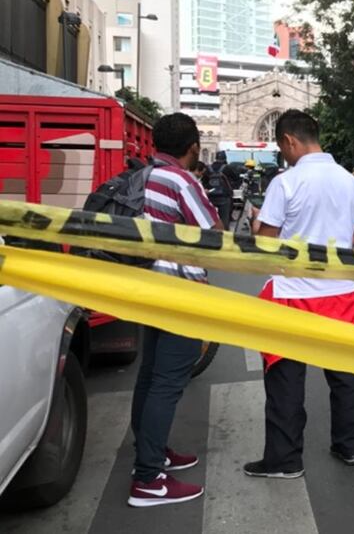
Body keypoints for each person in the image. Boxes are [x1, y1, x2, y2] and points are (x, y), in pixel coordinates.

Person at [245, 110, 354, 479]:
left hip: (293, 293)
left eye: (281, 147)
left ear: (289, 141)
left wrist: (256, 222)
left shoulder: (286, 182)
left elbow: (266, 242)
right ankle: (350, 447)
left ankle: (285, 460)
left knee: (286, 378)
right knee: (346, 375)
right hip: (343, 293)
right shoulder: (351, 182)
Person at [128, 113, 222, 508]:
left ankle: (152, 452)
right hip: (178, 292)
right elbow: (213, 234)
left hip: (148, 286)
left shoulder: (143, 175)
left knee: (150, 376)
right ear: (194, 146)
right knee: (168, 382)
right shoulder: (181, 180)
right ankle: (148, 479)